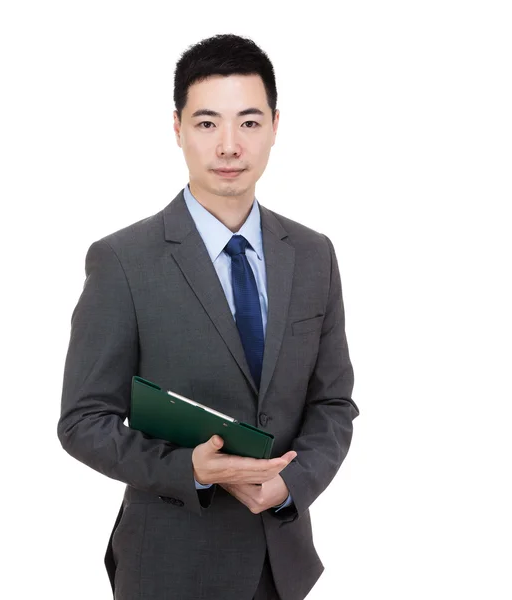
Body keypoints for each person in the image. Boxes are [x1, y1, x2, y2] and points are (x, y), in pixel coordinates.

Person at [58, 33, 359, 600]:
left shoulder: (314, 254)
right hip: (169, 568)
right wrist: (191, 470)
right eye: (206, 123)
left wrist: (291, 484)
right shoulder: (123, 261)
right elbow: (82, 421)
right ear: (177, 129)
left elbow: (333, 403)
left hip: (281, 564)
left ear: (275, 125)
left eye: (248, 122)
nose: (228, 146)